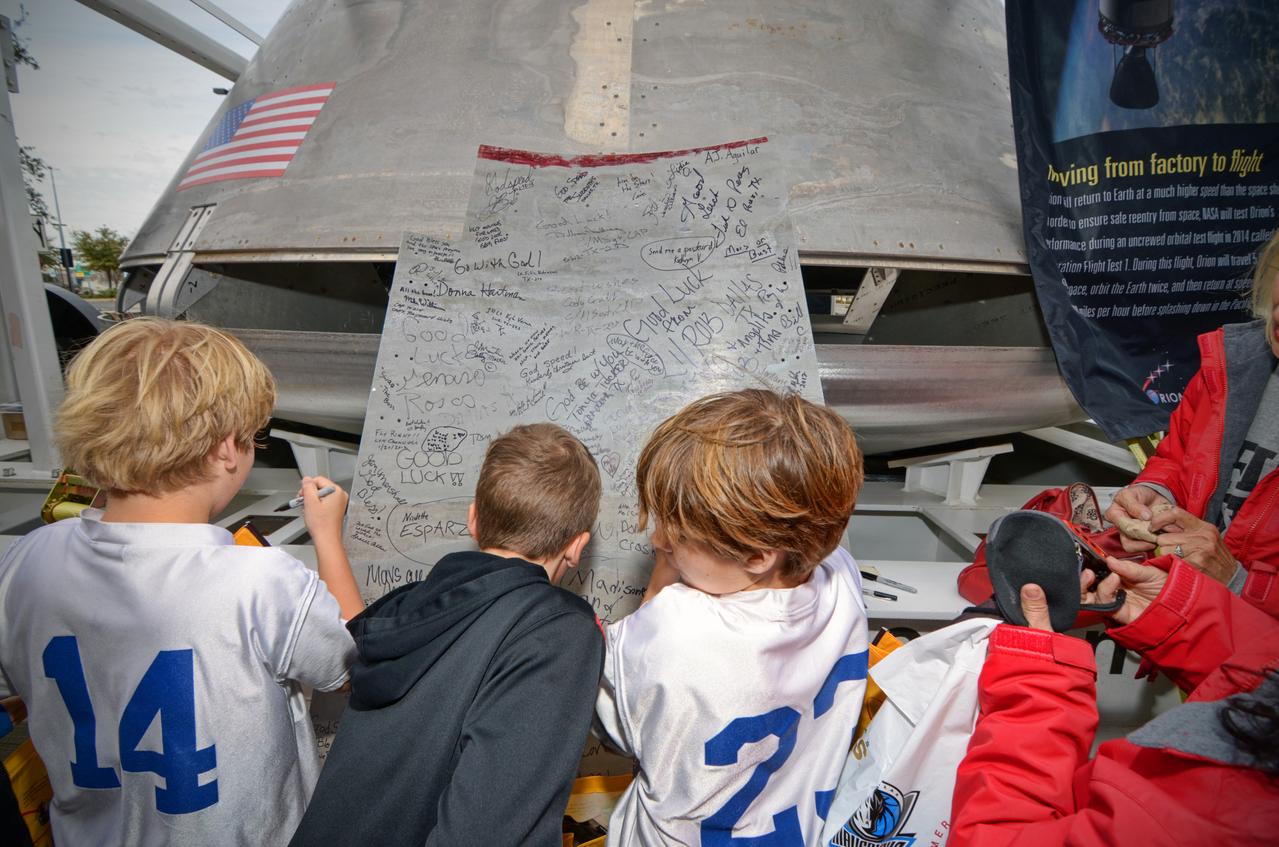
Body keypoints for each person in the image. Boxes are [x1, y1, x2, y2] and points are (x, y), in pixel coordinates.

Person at [0, 318, 361, 846]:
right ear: (226, 449)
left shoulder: (25, 559)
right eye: (252, 438)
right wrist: (327, 534)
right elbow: (354, 662)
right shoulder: (260, 582)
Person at [290, 422, 605, 847]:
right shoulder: (556, 633)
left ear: (473, 519)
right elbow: (485, 831)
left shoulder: (410, 610)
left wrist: (326, 535)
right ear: (577, 546)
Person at [595, 389, 869, 846]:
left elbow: (616, 730)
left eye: (679, 536)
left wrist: (657, 592)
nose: (659, 540)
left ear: (757, 556)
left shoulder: (675, 630)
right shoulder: (840, 573)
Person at [950, 554, 1279, 846]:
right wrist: (1176, 615)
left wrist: (1037, 682)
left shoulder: (1224, 808)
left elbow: (992, 839)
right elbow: (1265, 674)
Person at [1106, 228, 1279, 617]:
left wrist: (1238, 583)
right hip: (1189, 617)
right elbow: (1180, 457)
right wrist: (1157, 494)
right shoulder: (1234, 363)